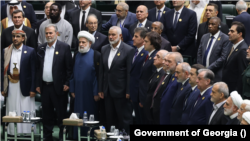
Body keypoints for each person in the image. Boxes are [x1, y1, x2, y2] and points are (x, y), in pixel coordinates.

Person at [36, 24, 73, 141]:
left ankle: (62, 135)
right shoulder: (41, 48)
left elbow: (69, 68)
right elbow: (38, 68)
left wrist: (67, 83)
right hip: (45, 86)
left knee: (61, 113)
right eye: (46, 33)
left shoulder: (64, 47)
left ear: (56, 33)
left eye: (51, 33)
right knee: (46, 114)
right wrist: (37, 84)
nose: (48, 35)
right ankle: (47, 136)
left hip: (59, 87)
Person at [98, 26, 134, 133]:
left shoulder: (128, 50)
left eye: (113, 35)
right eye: (109, 34)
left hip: (122, 91)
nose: (111, 37)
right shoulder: (104, 49)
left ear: (120, 36)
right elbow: (102, 72)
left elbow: (129, 72)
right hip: (107, 91)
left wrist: (128, 91)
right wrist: (100, 89)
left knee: (123, 119)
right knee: (110, 119)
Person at [1, 29, 36, 136]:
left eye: (18, 36)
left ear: (23, 38)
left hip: (26, 85)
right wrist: (3, 87)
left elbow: (34, 71)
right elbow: (2, 70)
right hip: (11, 84)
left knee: (26, 107)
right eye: (13, 36)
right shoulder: (6, 50)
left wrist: (33, 88)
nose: (15, 39)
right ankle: (11, 132)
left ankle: (26, 132)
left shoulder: (30, 51)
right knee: (11, 107)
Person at [70, 31, 100, 139]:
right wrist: (72, 89)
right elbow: (72, 73)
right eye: (80, 42)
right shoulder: (77, 55)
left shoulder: (96, 55)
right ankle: (77, 136)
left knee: (90, 115)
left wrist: (96, 92)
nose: (81, 44)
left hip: (90, 92)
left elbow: (98, 75)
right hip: (78, 91)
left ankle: (90, 136)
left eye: (84, 42)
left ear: (90, 43)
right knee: (78, 114)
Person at [197, 17, 231, 82]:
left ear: (219, 26)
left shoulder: (225, 38)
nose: (210, 26)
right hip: (202, 72)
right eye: (209, 24)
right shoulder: (204, 37)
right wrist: (201, 67)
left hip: (216, 73)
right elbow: (199, 53)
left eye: (213, 24)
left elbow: (223, 57)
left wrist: (208, 68)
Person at [137, 31, 160, 124]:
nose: (143, 43)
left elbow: (152, 82)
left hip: (147, 98)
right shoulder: (149, 55)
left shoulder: (155, 57)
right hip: (143, 95)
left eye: (146, 41)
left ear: (153, 43)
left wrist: (144, 100)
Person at [222, 21, 248, 94]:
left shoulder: (242, 50)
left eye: (232, 31)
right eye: (229, 31)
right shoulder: (232, 46)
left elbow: (241, 74)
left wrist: (236, 93)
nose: (229, 33)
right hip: (228, 88)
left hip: (234, 91)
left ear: (240, 34)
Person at [129, 27, 148, 124]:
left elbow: (144, 78)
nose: (133, 38)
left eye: (136, 36)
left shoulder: (146, 54)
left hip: (140, 95)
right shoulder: (134, 51)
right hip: (134, 95)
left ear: (143, 39)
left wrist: (141, 98)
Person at [144, 49, 168, 124]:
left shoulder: (163, 75)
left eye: (158, 56)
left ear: (164, 60)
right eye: (155, 56)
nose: (154, 58)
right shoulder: (157, 72)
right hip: (149, 110)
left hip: (155, 111)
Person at [160, 52, 183, 124]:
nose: (166, 63)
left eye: (169, 61)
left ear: (178, 63)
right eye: (166, 61)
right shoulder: (171, 76)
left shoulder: (179, 79)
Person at [150, 53, 172, 124]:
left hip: (163, 111)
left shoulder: (172, 78)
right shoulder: (162, 74)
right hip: (155, 109)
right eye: (165, 60)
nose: (164, 62)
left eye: (167, 61)